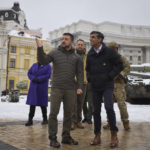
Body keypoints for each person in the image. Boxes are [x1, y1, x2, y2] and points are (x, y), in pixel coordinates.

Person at [36, 33, 83, 148]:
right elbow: (43, 61)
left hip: (70, 89)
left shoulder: (77, 57)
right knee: (53, 114)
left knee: (68, 114)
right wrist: (40, 48)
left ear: (72, 42)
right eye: (62, 39)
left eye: (66, 39)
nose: (63, 41)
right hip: (57, 87)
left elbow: (80, 73)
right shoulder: (54, 52)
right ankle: (52, 138)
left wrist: (80, 87)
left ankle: (66, 137)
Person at [86, 31, 123, 148]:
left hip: (107, 85)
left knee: (109, 107)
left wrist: (110, 76)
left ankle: (114, 135)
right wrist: (90, 78)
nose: (90, 39)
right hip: (95, 86)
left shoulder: (109, 52)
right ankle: (97, 135)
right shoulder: (90, 53)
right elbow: (87, 69)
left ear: (100, 40)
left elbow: (119, 65)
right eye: (90, 37)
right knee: (95, 111)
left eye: (93, 37)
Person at [103, 42, 130, 130]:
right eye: (111, 48)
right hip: (108, 84)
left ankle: (125, 122)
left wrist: (122, 74)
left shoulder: (121, 58)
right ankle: (110, 122)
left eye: (114, 48)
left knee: (121, 104)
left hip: (119, 84)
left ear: (117, 49)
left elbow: (127, 67)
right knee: (108, 105)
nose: (113, 50)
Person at [71, 39, 87, 130]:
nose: (80, 46)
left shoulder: (87, 56)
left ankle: (78, 121)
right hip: (73, 82)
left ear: (84, 46)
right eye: (78, 44)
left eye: (82, 44)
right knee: (73, 103)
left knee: (81, 103)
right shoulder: (72, 54)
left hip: (84, 82)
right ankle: (73, 121)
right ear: (75, 45)